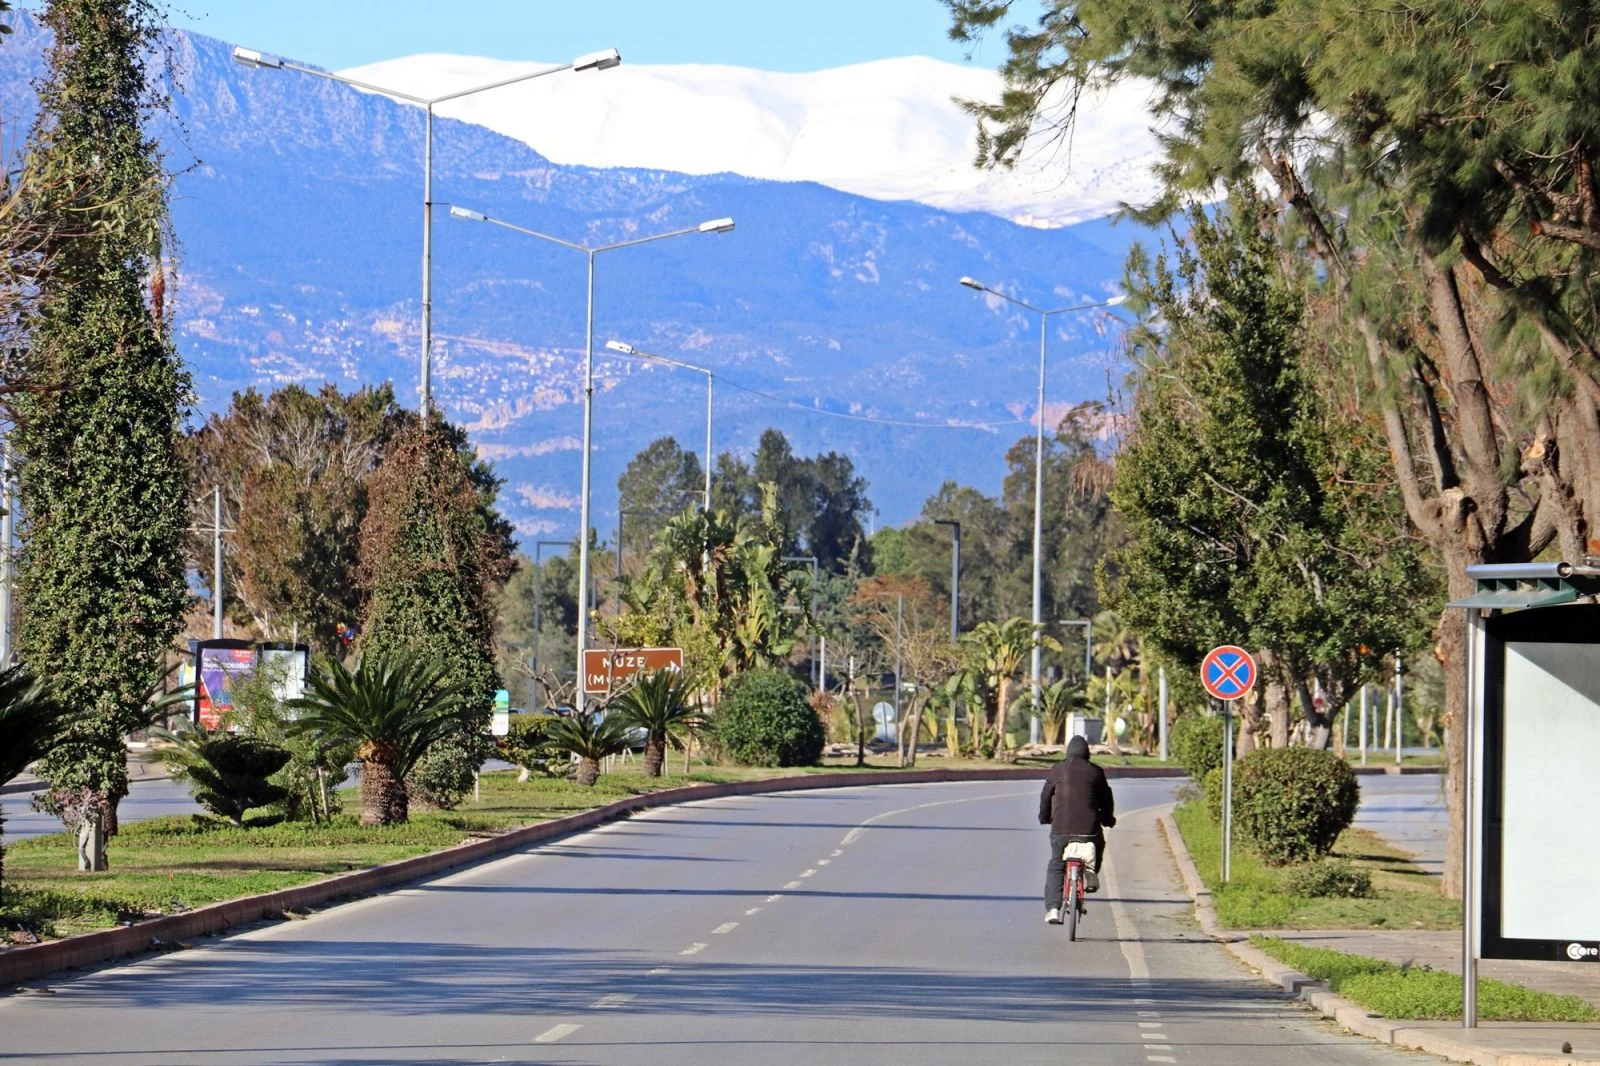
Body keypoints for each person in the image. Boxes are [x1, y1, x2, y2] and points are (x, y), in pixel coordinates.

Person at [1038, 734, 1116, 924]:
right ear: (1087, 752)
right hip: (1089, 829)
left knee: (1056, 864)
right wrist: (1108, 819)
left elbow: (1046, 796)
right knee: (1099, 844)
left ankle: (1053, 909)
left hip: (1060, 830)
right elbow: (1107, 799)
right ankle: (1091, 871)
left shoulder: (1058, 769)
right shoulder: (1095, 772)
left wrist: (1044, 817)